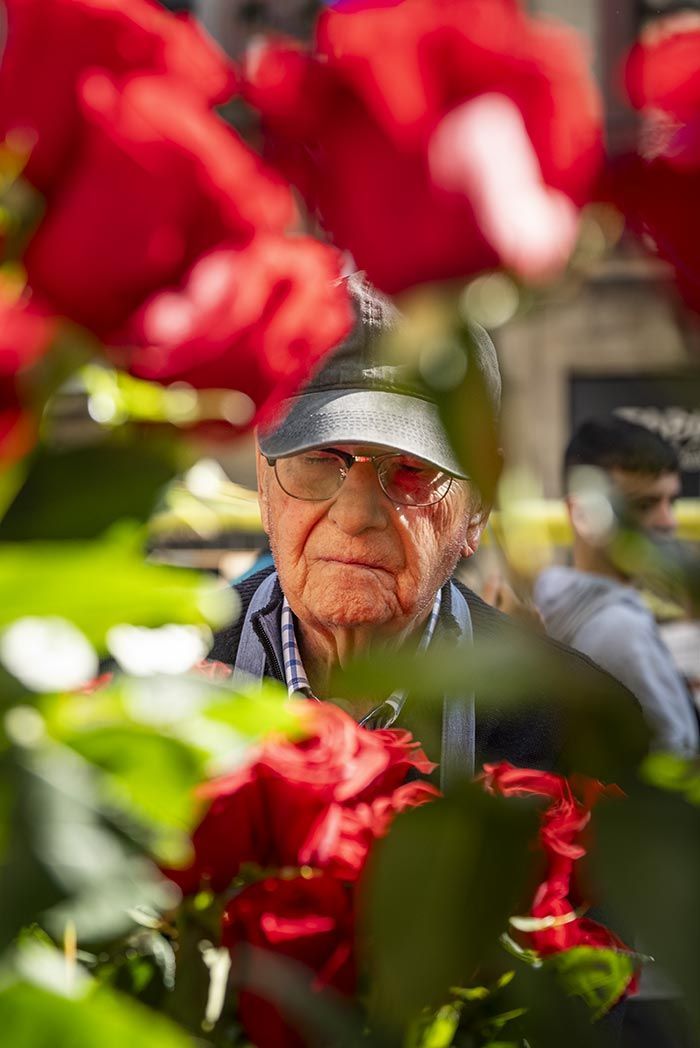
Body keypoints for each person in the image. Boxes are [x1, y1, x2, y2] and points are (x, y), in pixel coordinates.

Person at [210, 276, 640, 784]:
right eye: (319, 460)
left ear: (478, 502)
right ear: (265, 483)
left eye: (412, 468)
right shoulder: (150, 688)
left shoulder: (575, 731)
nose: (354, 515)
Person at [535, 415, 699, 756]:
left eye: (672, 502)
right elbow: (677, 765)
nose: (668, 521)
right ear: (583, 514)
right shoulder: (618, 630)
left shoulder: (559, 605)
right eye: (644, 504)